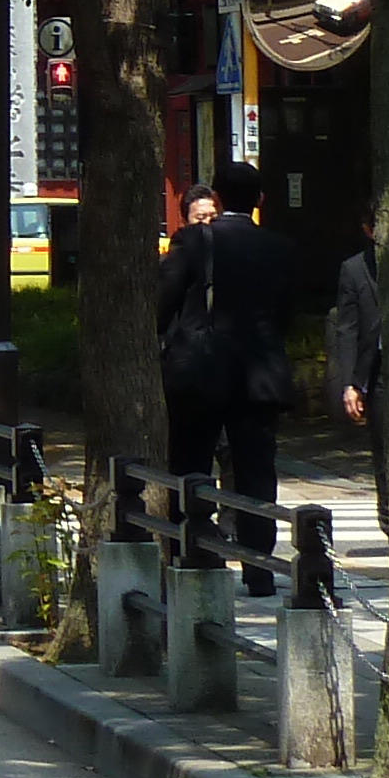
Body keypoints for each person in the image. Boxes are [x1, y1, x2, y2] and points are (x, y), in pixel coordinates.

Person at [160, 158, 296, 594]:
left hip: (201, 373)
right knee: (257, 471)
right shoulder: (278, 247)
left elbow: (162, 302)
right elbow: (286, 316)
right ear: (260, 200)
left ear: (215, 198)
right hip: (259, 375)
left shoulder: (193, 241)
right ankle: (258, 567)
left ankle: (198, 556)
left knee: (192, 464)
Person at [329, 198, 389, 521]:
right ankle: (388, 516)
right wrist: (351, 384)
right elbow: (347, 329)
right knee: (382, 448)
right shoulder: (354, 269)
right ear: (367, 230)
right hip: (377, 370)